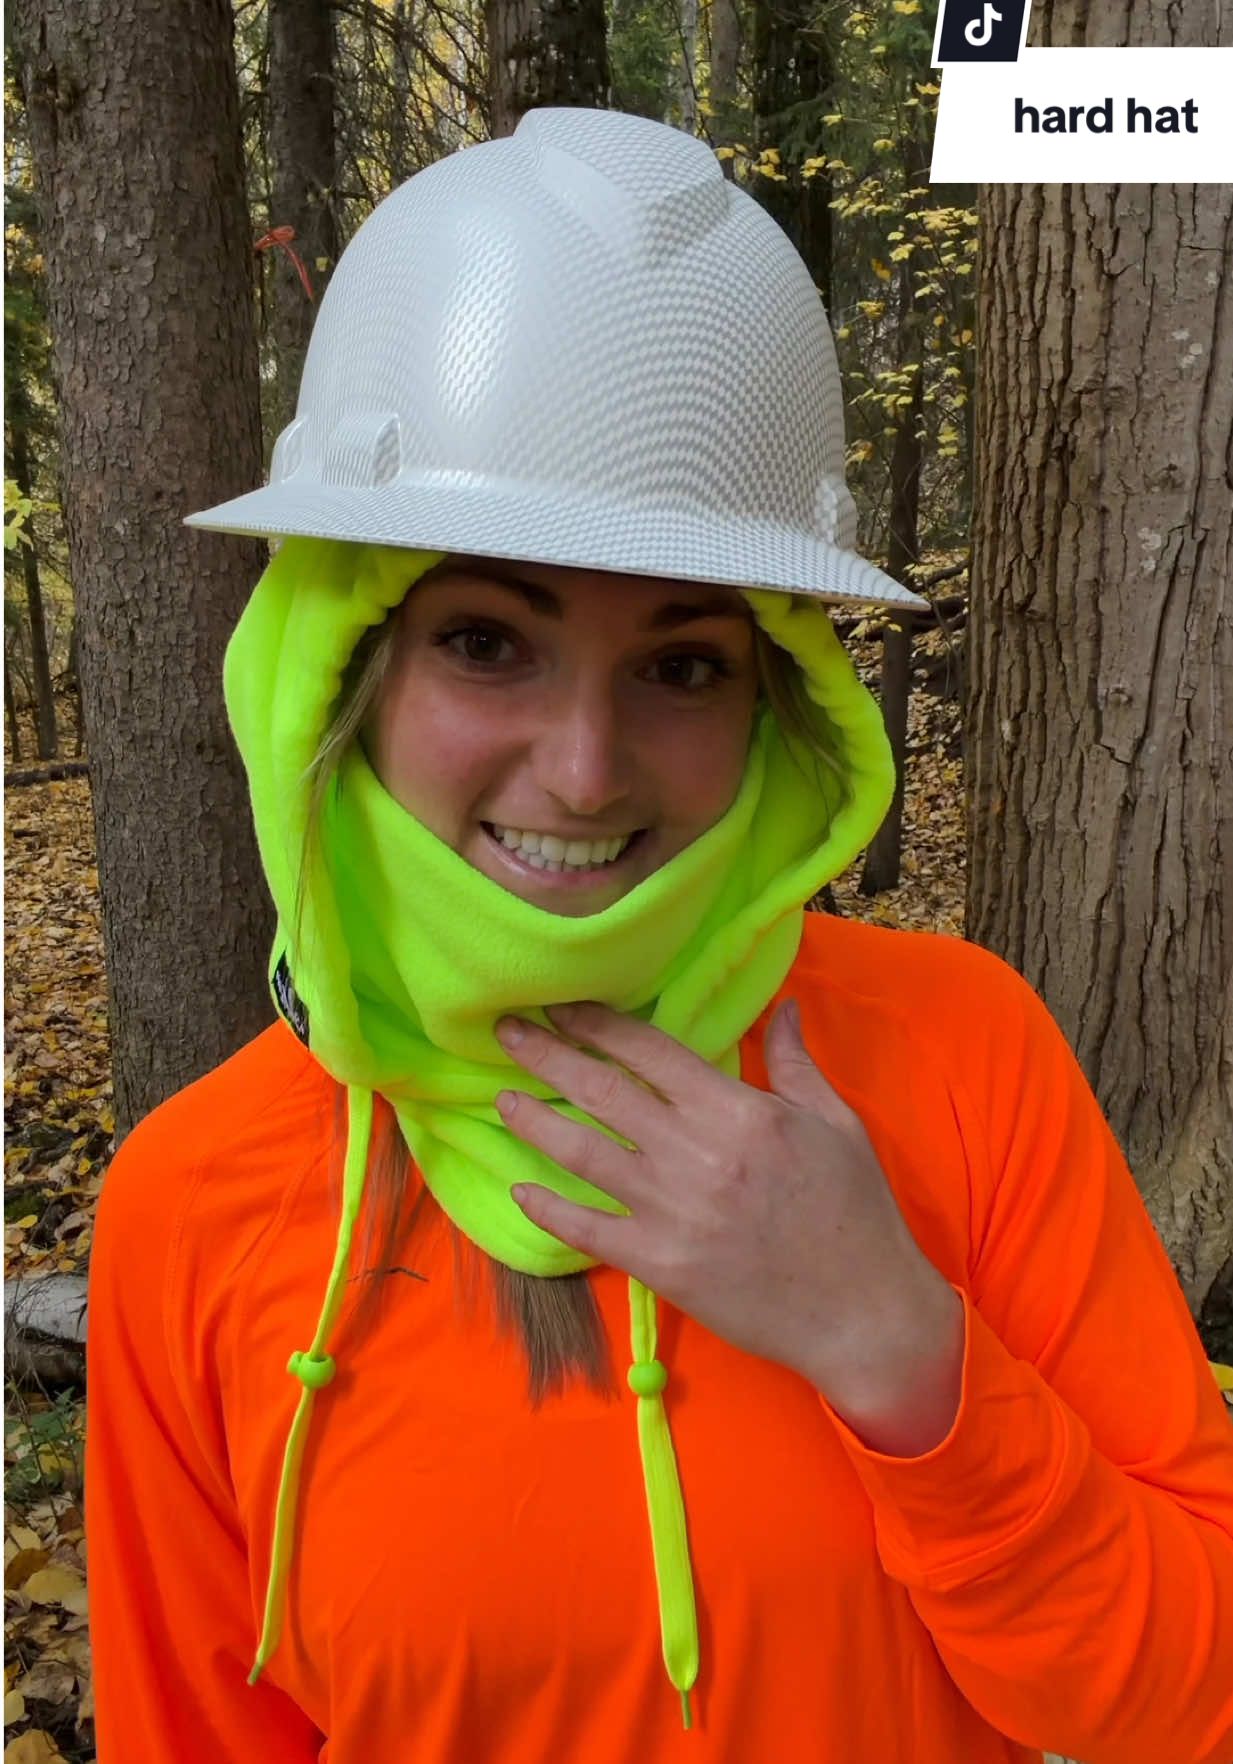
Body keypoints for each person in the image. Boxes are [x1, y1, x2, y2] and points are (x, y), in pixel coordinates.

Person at [84, 107, 1233, 1764]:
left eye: (683, 664)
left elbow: (1186, 1698)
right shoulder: (194, 1208)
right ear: (342, 671)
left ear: (777, 709)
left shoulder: (956, 1055)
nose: (583, 764)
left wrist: (889, 1343)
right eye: (487, 639)